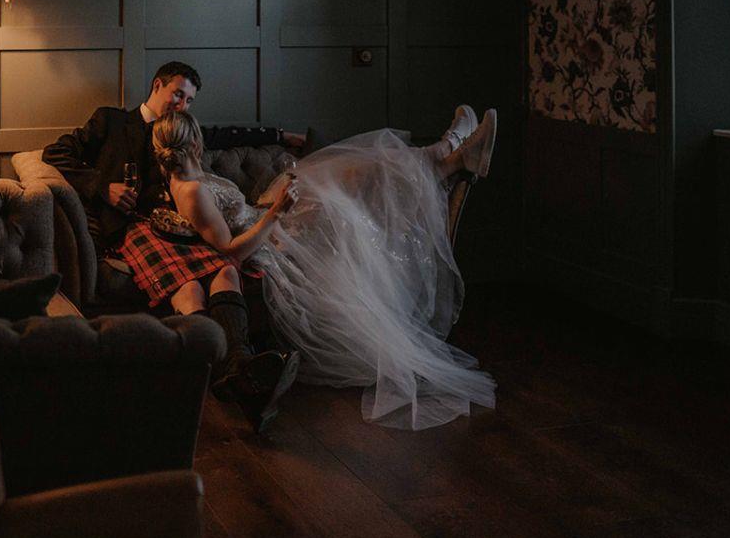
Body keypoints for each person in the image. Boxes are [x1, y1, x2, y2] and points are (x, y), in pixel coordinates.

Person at [153, 106, 499, 430]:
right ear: (196, 142)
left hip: (265, 222)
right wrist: (276, 214)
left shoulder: (187, 180)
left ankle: (448, 154)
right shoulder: (193, 191)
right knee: (353, 189)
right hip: (270, 241)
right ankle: (447, 156)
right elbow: (233, 251)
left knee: (347, 178)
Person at [41, 60, 306, 431]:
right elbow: (55, 153)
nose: (181, 104)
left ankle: (240, 370)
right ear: (157, 85)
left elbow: (225, 134)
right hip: (137, 229)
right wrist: (104, 187)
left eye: (188, 100)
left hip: (182, 229)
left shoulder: (182, 131)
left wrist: (281, 135)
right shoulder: (111, 121)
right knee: (190, 288)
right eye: (177, 94)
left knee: (227, 269)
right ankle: (229, 380)